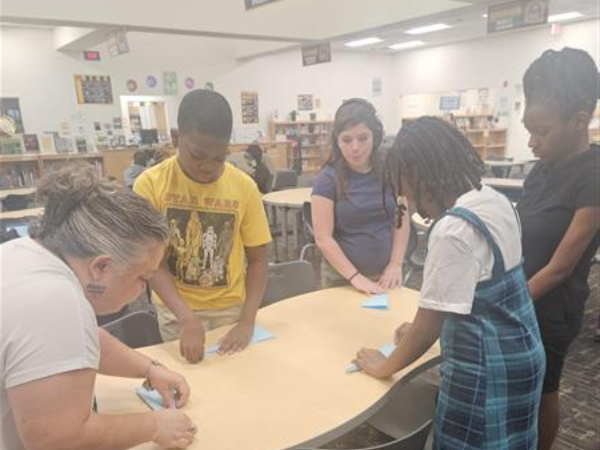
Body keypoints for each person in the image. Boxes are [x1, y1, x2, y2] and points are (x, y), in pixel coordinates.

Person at [354, 117, 546, 450]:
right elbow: (473, 291)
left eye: (410, 193)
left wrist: (384, 366)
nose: (414, 206)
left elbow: (427, 328)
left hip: (486, 372)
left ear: (423, 176)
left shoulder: (452, 229)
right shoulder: (492, 199)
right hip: (522, 355)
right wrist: (417, 327)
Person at [0, 164, 196, 450]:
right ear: (101, 267)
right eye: (142, 277)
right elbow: (57, 438)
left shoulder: (23, 253)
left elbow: (78, 341)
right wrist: (155, 425)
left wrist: (149, 369)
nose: (143, 289)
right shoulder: (54, 300)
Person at [134, 89, 271, 364]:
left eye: (219, 157)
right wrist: (186, 318)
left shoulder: (244, 186)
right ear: (176, 138)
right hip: (175, 313)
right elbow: (153, 265)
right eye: (197, 155)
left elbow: (258, 260)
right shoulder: (150, 185)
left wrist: (246, 320)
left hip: (230, 311)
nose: (208, 167)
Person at [517, 47, 600, 450]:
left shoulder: (593, 176)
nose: (531, 142)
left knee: (544, 391)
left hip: (552, 307)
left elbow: (561, 267)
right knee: (519, 385)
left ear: (579, 121)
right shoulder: (542, 167)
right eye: (528, 130)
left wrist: (506, 301)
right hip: (519, 295)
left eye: (542, 132)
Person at [311, 98, 409, 294]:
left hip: (387, 275)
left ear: (375, 137)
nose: (355, 147)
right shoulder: (327, 179)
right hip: (342, 279)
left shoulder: (389, 171)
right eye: (347, 140)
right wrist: (356, 278)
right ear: (337, 141)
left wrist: (396, 263)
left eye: (363, 138)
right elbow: (323, 238)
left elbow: (401, 218)